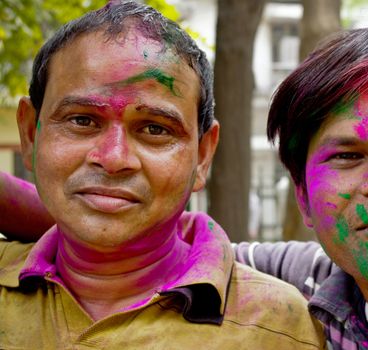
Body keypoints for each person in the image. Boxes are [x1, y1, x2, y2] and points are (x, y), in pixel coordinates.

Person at [3, 15, 368, 350]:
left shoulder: (289, 314)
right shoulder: (310, 285)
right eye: (346, 155)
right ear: (302, 195)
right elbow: (131, 236)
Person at [0, 1, 326, 349]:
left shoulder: (279, 327)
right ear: (30, 135)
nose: (113, 159)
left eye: (154, 129)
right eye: (82, 121)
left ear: (202, 156)